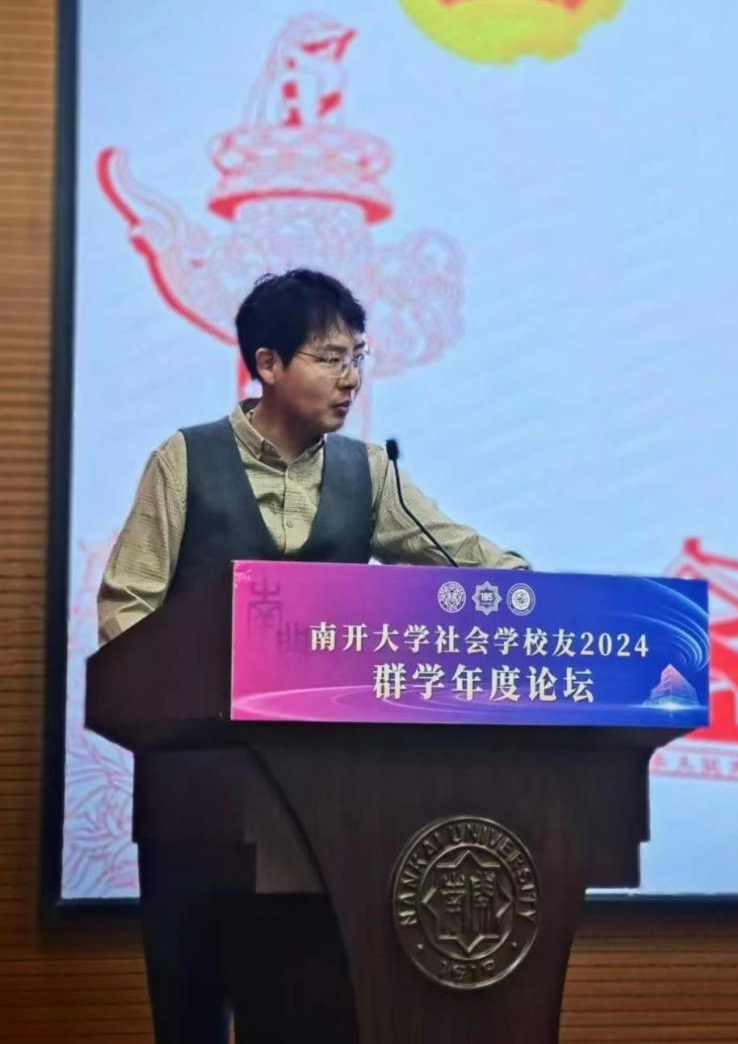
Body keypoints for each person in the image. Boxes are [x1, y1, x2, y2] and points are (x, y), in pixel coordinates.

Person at [98, 268, 529, 1044]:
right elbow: (127, 615)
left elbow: (462, 554)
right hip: (195, 799)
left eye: (358, 356)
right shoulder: (183, 461)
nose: (352, 378)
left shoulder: (369, 473)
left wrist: (535, 595)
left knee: (309, 1012)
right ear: (267, 363)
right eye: (331, 357)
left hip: (326, 808)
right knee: (191, 1013)